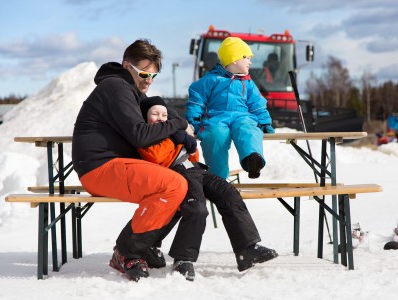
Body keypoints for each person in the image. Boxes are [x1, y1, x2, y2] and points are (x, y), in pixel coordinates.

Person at [72, 39, 193, 281]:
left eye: (154, 76)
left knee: (183, 185)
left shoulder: (128, 90)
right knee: (174, 185)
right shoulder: (116, 87)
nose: (149, 80)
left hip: (112, 166)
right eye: (144, 73)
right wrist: (178, 123)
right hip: (100, 167)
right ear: (127, 66)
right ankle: (127, 251)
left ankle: (143, 245)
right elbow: (140, 136)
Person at [137, 96, 278, 281]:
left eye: (164, 114)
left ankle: (247, 249)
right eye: (155, 114)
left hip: (194, 170)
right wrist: (178, 138)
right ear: (145, 117)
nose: (160, 118)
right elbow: (157, 157)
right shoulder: (146, 135)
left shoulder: (172, 132)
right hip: (174, 175)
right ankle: (183, 259)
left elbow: (192, 151)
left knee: (228, 192)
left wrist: (180, 138)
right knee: (197, 207)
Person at [186, 36, 275, 180]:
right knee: (215, 135)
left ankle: (252, 160)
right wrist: (194, 120)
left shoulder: (248, 82)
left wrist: (264, 122)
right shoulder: (211, 79)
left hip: (243, 116)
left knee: (249, 130)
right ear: (234, 59)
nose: (250, 62)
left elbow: (257, 104)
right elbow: (197, 100)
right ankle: (218, 177)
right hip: (218, 118)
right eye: (247, 57)